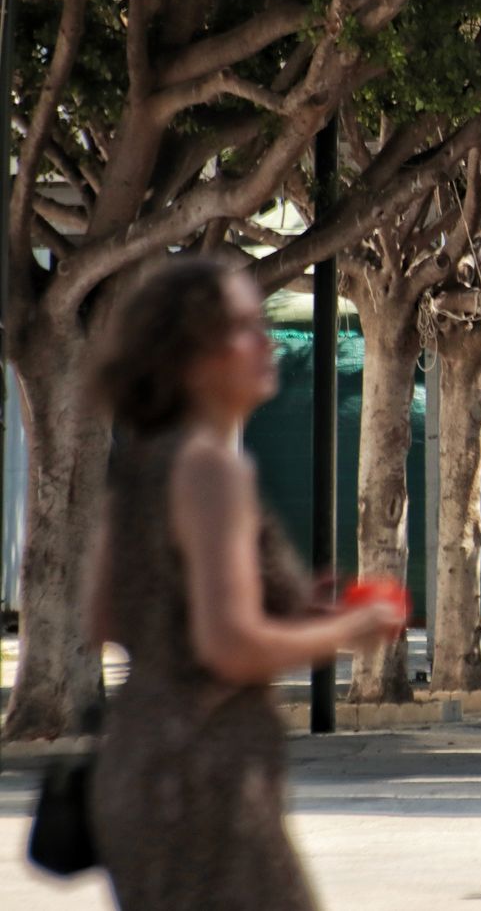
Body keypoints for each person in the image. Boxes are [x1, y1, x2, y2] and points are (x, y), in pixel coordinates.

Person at [83, 259, 407, 911]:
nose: (265, 342)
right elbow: (227, 645)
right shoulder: (211, 469)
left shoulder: (144, 461)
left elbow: (106, 616)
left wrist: (278, 603)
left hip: (134, 765)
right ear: (188, 357)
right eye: (239, 329)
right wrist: (347, 629)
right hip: (206, 777)